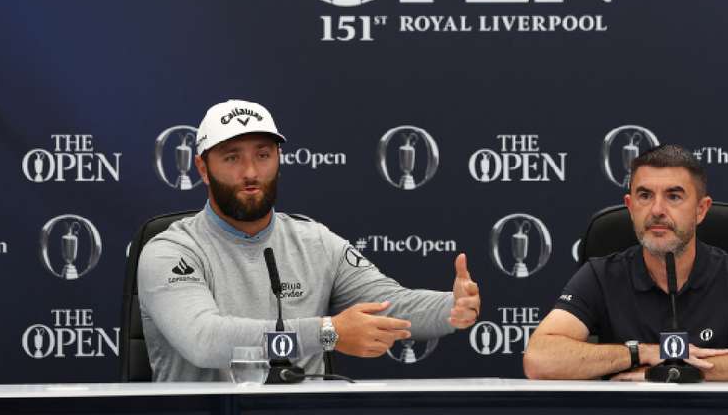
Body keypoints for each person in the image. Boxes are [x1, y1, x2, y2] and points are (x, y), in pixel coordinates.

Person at [138, 99, 481, 381]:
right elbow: (205, 341)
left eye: (263, 154)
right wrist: (328, 332)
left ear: (279, 159)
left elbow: (389, 305)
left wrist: (449, 308)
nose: (251, 173)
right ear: (201, 168)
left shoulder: (314, 241)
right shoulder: (170, 251)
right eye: (232, 157)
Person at [524, 144, 728, 382]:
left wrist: (666, 372)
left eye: (674, 196)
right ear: (630, 207)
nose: (657, 210)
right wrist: (641, 353)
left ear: (701, 210)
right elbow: (539, 359)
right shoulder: (601, 274)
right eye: (645, 196)